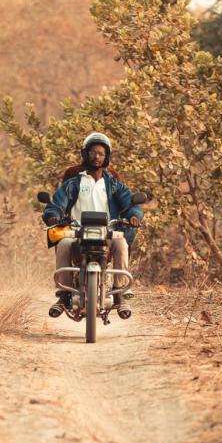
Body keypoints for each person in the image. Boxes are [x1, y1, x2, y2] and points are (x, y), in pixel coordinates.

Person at [42, 132, 143, 317]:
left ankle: (119, 293)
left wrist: (134, 215)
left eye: (101, 153)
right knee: (63, 244)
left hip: (107, 231)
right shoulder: (74, 182)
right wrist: (53, 215)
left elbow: (130, 203)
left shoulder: (113, 184)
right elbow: (57, 203)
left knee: (121, 244)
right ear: (85, 154)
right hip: (77, 231)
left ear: (107, 157)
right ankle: (64, 293)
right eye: (93, 152)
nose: (96, 156)